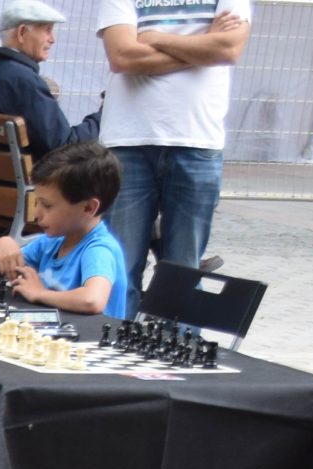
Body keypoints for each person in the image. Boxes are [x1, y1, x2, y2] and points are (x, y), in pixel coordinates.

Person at [99, 0, 251, 292]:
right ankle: (116, 326)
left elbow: (228, 49)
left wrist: (156, 38)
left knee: (183, 275)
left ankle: (174, 326)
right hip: (129, 141)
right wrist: (204, 47)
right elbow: (122, 56)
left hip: (196, 140)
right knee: (120, 273)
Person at [0, 140, 133, 317]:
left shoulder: (99, 249)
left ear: (88, 208)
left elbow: (92, 300)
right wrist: (0, 245)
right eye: (36, 202)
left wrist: (40, 293)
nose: (36, 213)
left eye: (47, 205)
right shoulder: (50, 243)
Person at [0, 0, 101, 159]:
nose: (53, 39)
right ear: (22, 33)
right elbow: (65, 146)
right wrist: (102, 117)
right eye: (47, 30)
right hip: (26, 174)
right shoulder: (24, 81)